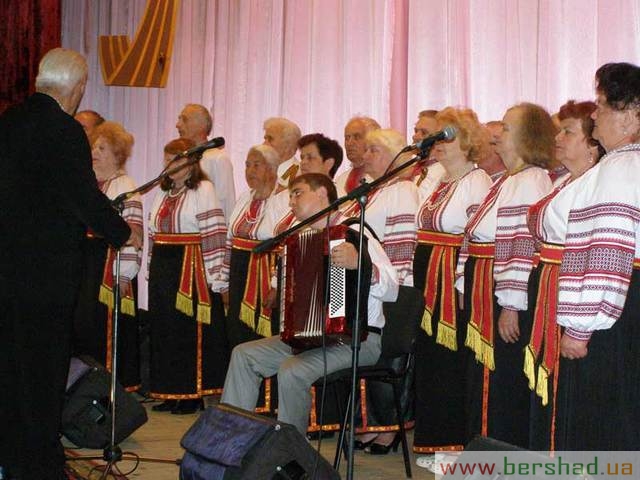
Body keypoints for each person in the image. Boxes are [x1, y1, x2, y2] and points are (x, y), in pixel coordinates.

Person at [0, 48, 137, 480]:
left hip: (7, 270)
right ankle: (40, 464)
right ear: (76, 88)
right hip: (46, 276)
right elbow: (82, 197)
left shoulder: (9, 121)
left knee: (10, 368)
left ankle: (10, 457)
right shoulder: (64, 130)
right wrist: (122, 232)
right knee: (44, 372)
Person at [221, 173, 399, 435]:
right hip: (309, 338)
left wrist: (362, 265)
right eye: (290, 195)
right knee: (244, 355)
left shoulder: (356, 234)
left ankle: (290, 450)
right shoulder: (300, 240)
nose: (291, 201)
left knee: (292, 370)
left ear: (322, 194)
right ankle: (229, 438)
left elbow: (393, 289)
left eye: (298, 193)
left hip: (359, 339)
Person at [456, 103, 554, 448]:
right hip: (487, 284)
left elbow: (521, 247)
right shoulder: (511, 180)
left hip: (505, 291)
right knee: (485, 377)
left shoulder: (528, 181)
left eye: (507, 129)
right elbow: (474, 232)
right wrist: (462, 280)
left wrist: (510, 305)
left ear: (528, 137)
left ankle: (497, 456)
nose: (497, 138)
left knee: (500, 380)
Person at [556, 62, 640, 450]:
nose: (594, 115)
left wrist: (579, 327)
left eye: (603, 105)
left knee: (608, 413)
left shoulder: (621, 167)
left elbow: (606, 252)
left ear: (632, 114)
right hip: (627, 299)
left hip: (618, 310)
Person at [412, 108, 492, 466]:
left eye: (448, 136)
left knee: (451, 363)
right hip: (428, 277)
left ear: (468, 142)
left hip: (451, 281)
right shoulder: (440, 180)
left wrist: (461, 282)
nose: (439, 143)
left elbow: (473, 239)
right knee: (431, 361)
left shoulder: (477, 181)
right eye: (438, 137)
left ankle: (455, 447)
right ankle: (434, 442)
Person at [524, 100, 602, 450]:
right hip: (548, 282)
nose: (557, 138)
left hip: (572, 286)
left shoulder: (598, 183)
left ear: (592, 144)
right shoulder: (562, 181)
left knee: (572, 381)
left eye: (568, 132)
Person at [339, 128, 419, 453]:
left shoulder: (402, 191)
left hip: (390, 286)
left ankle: (388, 428)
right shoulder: (372, 190)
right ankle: (369, 424)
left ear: (393, 157)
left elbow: (402, 246)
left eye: (374, 150)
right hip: (367, 286)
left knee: (389, 358)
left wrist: (391, 290)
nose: (366, 154)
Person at [147, 138, 228, 415]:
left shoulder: (203, 189)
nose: (171, 165)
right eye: (167, 159)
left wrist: (216, 276)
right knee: (165, 328)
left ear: (192, 163)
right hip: (164, 267)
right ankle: (170, 390)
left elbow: (214, 233)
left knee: (186, 330)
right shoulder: (162, 193)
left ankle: (191, 394)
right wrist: (150, 268)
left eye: (177, 159)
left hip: (190, 266)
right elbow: (153, 233)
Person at [72, 121, 144, 391]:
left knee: (105, 328)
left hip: (110, 265)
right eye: (94, 147)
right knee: (83, 324)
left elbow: (133, 234)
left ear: (117, 155)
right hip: (86, 263)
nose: (95, 152)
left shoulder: (126, 186)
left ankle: (110, 388)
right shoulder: (88, 184)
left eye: (102, 148)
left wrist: (124, 275)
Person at [218, 144, 280, 349]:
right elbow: (230, 241)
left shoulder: (283, 199)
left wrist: (276, 285)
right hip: (239, 274)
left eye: (256, 165)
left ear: (272, 169)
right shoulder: (245, 198)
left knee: (263, 335)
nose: (250, 171)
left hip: (266, 275)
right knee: (237, 331)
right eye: (247, 165)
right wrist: (223, 282)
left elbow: (285, 246)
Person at [176, 103, 236, 219]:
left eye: (184, 119)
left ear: (201, 126)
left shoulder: (218, 158)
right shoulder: (180, 159)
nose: (177, 125)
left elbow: (226, 204)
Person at [335, 116, 381, 193]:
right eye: (347, 138)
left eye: (357, 137)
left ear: (373, 141)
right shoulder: (340, 181)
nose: (349, 143)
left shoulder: (383, 177)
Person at [263, 117, 301, 190]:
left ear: (288, 145)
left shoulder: (299, 177)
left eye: (270, 139)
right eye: (265, 139)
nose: (264, 144)